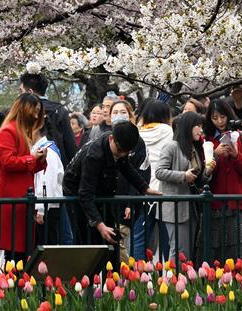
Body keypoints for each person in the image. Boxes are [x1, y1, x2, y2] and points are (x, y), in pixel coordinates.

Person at [63, 121, 161, 267]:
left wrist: (144, 188)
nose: (122, 155)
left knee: (112, 240)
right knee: (88, 243)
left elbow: (126, 167)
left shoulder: (120, 147)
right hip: (78, 196)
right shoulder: (94, 156)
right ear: (111, 139)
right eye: (120, 150)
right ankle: (87, 285)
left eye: (126, 152)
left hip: (102, 193)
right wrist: (99, 224)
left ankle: (113, 279)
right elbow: (85, 194)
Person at [0, 93, 47, 261]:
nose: (36, 116)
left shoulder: (22, 132)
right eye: (34, 111)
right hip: (12, 198)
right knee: (14, 250)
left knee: (21, 249)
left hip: (21, 197)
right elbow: (7, 162)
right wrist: (32, 158)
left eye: (38, 112)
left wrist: (40, 161)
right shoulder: (9, 130)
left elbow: (23, 166)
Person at [156, 111, 214, 262]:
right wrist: (183, 176)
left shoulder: (194, 149)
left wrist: (207, 171)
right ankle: (174, 283)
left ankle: (184, 282)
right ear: (188, 126)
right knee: (179, 250)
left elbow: (198, 181)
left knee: (187, 250)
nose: (201, 130)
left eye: (202, 126)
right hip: (174, 207)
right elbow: (159, 172)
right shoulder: (171, 146)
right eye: (198, 126)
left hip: (191, 207)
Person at [203, 98, 242, 260]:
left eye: (223, 117)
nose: (219, 121)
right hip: (216, 202)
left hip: (238, 200)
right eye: (215, 118)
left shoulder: (240, 137)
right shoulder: (207, 140)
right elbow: (204, 175)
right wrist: (215, 156)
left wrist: (236, 156)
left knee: (240, 249)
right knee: (217, 250)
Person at [110, 100, 149, 262]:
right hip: (108, 198)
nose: (118, 116)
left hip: (126, 199)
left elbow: (141, 172)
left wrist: (131, 202)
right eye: (115, 112)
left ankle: (131, 275)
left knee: (118, 240)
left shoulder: (137, 141)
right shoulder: (105, 138)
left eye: (123, 112)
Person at [136, 99, 175, 260]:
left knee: (139, 235)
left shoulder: (137, 132)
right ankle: (169, 272)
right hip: (163, 188)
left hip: (142, 188)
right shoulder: (168, 131)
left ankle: (135, 273)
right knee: (166, 235)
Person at [19, 72, 77, 164]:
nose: (19, 96)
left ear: (30, 92)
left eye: (21, 91)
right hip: (58, 163)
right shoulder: (60, 110)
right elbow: (70, 145)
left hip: (29, 165)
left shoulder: (21, 113)